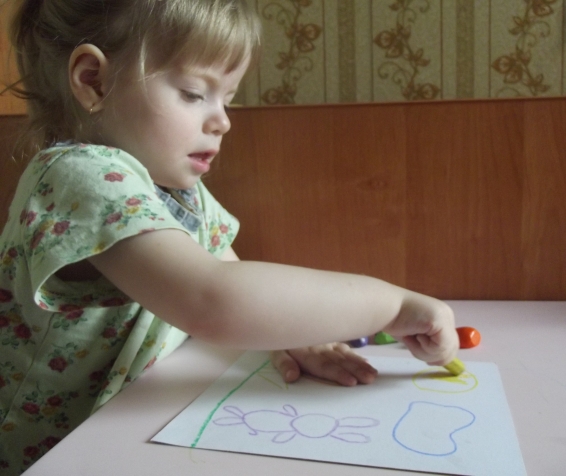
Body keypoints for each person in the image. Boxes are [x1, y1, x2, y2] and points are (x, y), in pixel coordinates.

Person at [0, 0, 458, 473]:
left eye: (227, 99)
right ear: (94, 80)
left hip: (124, 435)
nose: (223, 120)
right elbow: (214, 299)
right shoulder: (78, 175)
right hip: (50, 457)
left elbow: (233, 275)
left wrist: (294, 336)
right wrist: (392, 306)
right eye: (194, 93)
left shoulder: (172, 189)